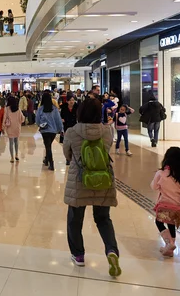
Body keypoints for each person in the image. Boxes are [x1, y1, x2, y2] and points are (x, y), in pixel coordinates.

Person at [63, 98, 121, 277]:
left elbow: (67, 153)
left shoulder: (72, 132)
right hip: (103, 180)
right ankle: (111, 251)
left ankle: (78, 255)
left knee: (75, 220)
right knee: (103, 219)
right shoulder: (107, 131)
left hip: (79, 180)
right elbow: (108, 148)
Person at [150, 147, 180, 257]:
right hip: (177, 208)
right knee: (171, 225)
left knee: (159, 222)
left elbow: (154, 186)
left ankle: (169, 243)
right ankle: (170, 249)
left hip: (164, 206)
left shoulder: (161, 173)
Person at [35, 93, 63, 170]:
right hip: (53, 131)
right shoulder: (55, 109)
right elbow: (58, 120)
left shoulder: (40, 109)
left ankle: (51, 163)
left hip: (44, 131)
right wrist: (61, 129)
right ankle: (47, 160)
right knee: (48, 145)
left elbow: (37, 121)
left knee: (48, 146)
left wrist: (40, 124)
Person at [3, 96, 25, 163]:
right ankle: (17, 155)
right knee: (16, 142)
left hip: (10, 127)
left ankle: (12, 157)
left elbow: (4, 118)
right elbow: (22, 118)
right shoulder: (18, 109)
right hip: (17, 127)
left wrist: (3, 126)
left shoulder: (6, 109)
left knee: (11, 142)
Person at [60, 96, 78, 165]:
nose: (72, 102)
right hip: (66, 127)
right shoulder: (64, 108)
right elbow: (61, 117)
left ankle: (73, 158)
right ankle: (68, 158)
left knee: (74, 143)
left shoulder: (76, 108)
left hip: (74, 127)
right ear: (67, 101)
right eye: (70, 100)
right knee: (67, 144)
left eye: (73, 100)